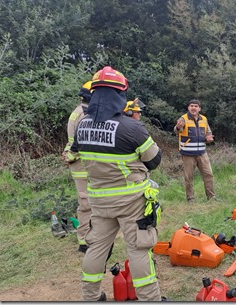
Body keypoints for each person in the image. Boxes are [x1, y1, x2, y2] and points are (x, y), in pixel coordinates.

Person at [66, 66, 164, 301]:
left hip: (99, 200)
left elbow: (76, 152)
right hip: (131, 202)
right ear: (120, 95)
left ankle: (90, 296)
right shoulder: (132, 128)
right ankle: (150, 298)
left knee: (97, 247)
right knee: (139, 248)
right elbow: (154, 160)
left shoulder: (82, 127)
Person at [62, 80, 93, 253]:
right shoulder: (84, 115)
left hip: (81, 162)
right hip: (81, 163)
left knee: (88, 201)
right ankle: (84, 240)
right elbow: (80, 143)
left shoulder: (81, 112)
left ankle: (89, 236)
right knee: (86, 203)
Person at [174, 99, 216, 203]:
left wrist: (209, 139)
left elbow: (208, 134)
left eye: (196, 106)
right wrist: (178, 127)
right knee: (189, 178)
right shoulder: (183, 118)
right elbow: (176, 130)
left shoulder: (204, 119)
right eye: (191, 106)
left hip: (202, 153)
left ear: (199, 108)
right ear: (188, 107)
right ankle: (190, 199)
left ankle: (211, 197)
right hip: (188, 154)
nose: (193, 108)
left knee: (209, 175)